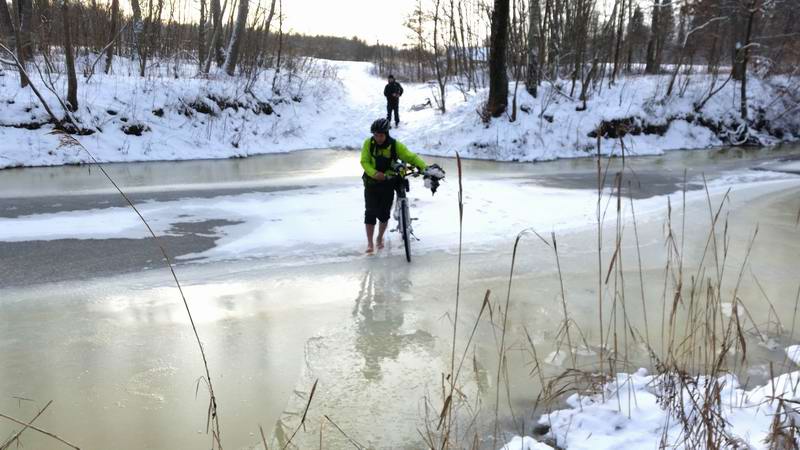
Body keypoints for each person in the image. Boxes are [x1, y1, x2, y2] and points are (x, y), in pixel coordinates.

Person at [360, 118, 430, 254]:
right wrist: (374, 173)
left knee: (384, 214)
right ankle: (370, 243)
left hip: (388, 183)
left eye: (380, 135)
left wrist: (425, 168)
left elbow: (411, 157)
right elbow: (364, 161)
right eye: (375, 135)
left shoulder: (395, 145)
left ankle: (379, 237)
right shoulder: (368, 144)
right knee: (370, 212)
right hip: (371, 182)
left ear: (386, 134)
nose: (378, 138)